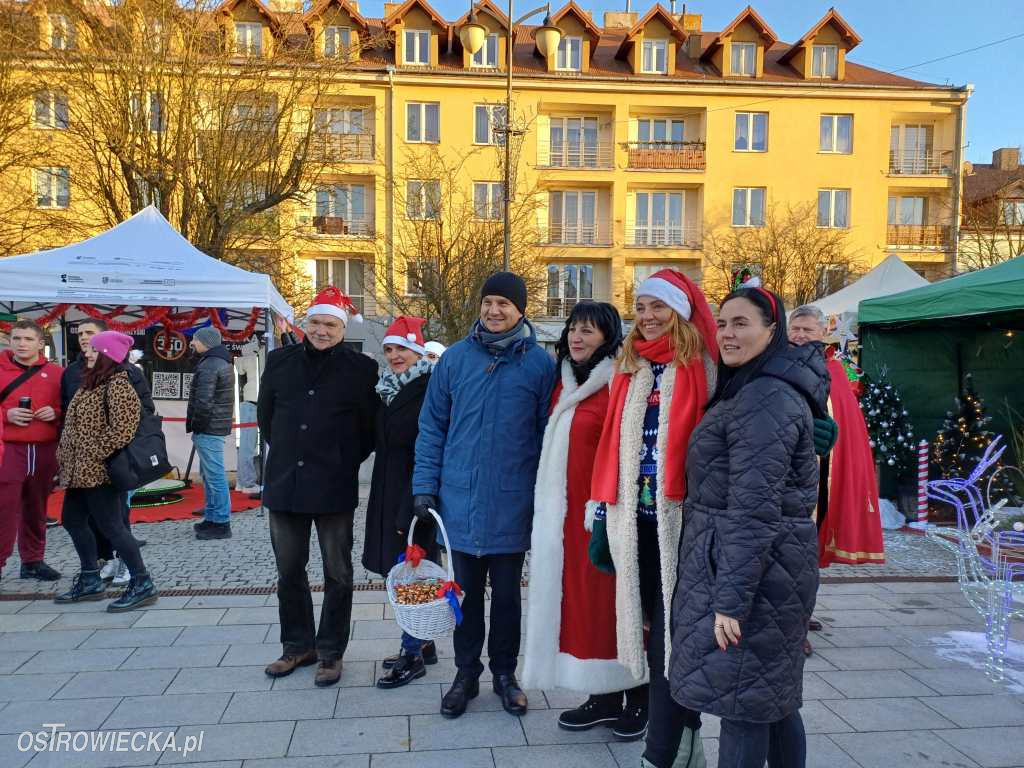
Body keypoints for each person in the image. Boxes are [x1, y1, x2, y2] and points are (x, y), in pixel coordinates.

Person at [670, 286, 829, 768]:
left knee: (744, 704)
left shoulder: (766, 397)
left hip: (753, 572)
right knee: (768, 698)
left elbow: (753, 508)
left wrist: (729, 602)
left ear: (772, 330)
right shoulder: (755, 385)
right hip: (767, 565)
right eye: (721, 323)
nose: (727, 334)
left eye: (741, 323)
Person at [587, 269, 715, 768]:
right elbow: (612, 443)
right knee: (653, 634)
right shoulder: (631, 365)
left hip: (681, 522)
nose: (647, 317)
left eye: (657, 307)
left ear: (679, 312)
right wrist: (602, 512)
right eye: (640, 308)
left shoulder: (704, 366)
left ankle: (660, 753)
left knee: (671, 641)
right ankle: (687, 744)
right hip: (633, 520)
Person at [413, 271, 556, 719]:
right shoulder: (454, 360)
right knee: (465, 596)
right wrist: (424, 487)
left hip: (511, 502)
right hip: (458, 501)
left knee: (509, 598)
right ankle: (465, 674)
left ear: (521, 310)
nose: (495, 311)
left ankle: (505, 674)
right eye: (488, 301)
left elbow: (545, 437)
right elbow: (432, 427)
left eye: (505, 305)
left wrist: (545, 497)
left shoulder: (539, 365)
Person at [523, 301, 650, 740]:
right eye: (574, 329)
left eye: (589, 332)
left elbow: (630, 450)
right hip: (565, 521)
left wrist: (606, 509)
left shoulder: (620, 380)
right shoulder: (565, 382)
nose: (577, 338)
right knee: (581, 607)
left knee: (618, 607)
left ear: (608, 338)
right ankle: (601, 694)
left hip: (605, 518)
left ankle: (639, 695)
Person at [259, 286, 378, 688]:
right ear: (305, 323)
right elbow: (267, 419)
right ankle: (297, 645)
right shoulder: (278, 362)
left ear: (342, 328)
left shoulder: (362, 369)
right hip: (285, 483)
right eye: (315, 323)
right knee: (289, 571)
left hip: (333, 486)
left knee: (338, 573)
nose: (321, 331)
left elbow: (368, 431)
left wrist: (341, 460)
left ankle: (330, 651)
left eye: (330, 324)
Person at [55, 330, 158, 611]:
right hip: (78, 471)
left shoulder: (119, 382)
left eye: (94, 349)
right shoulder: (89, 381)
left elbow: (123, 429)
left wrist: (93, 454)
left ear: (108, 355)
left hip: (99, 472)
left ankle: (142, 581)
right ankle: (90, 578)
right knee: (73, 521)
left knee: (113, 527)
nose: (87, 352)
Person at [362, 315, 439, 689]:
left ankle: (412, 653)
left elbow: (429, 446)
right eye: (389, 349)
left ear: (417, 352)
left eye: (402, 349)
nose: (394, 355)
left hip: (414, 494)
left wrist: (413, 501)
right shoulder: (388, 389)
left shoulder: (428, 389)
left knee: (410, 571)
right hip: (387, 490)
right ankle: (422, 642)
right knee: (405, 569)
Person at [789, 305, 883, 566]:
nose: (800, 335)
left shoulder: (834, 369)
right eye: (795, 329)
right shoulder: (779, 363)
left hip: (823, 460)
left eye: (807, 330)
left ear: (822, 332)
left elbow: (844, 417)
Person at [0, 319, 63, 584]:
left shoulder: (58, 373)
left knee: (37, 508)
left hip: (44, 449)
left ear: (40, 343)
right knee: (4, 508)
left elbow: (70, 407)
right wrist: (5, 414)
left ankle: (33, 561)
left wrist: (56, 413)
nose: (22, 344)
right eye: (17, 339)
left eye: (27, 339)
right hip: (8, 449)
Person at [187, 326, 235, 540]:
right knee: (210, 475)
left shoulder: (210, 364)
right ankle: (213, 518)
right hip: (214, 426)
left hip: (208, 427)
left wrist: (197, 425)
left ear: (205, 342)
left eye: (195, 340)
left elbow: (203, 401)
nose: (192, 343)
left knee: (214, 477)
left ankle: (221, 522)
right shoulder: (221, 361)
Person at [233, 339, 262, 495]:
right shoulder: (256, 358)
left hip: (249, 404)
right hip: (254, 404)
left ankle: (242, 481)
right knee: (248, 447)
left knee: (246, 446)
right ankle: (248, 483)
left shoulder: (244, 360)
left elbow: (240, 370)